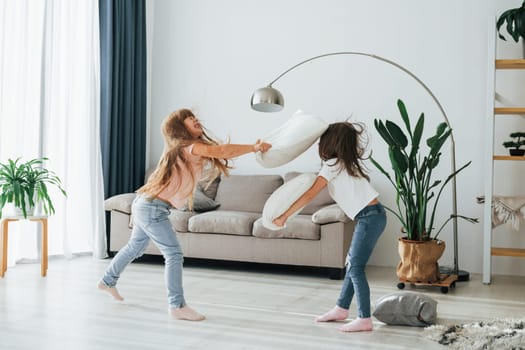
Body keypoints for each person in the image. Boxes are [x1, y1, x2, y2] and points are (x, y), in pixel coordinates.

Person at [98, 108, 271, 321]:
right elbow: (224, 151)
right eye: (190, 118)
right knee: (173, 254)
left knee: (136, 247)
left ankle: (107, 281)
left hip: (146, 204)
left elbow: (220, 151)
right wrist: (254, 148)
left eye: (196, 117)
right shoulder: (189, 147)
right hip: (151, 207)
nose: (196, 120)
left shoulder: (187, 148)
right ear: (180, 127)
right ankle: (177, 305)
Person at [272, 121, 386, 332]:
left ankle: (364, 318)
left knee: (355, 266)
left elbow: (308, 194)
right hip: (373, 216)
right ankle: (341, 308)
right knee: (352, 263)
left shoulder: (332, 164)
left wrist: (284, 215)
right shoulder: (344, 163)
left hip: (369, 217)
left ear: (329, 143)